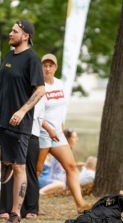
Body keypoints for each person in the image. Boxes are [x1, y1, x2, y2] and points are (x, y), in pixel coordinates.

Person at [0, 19, 45, 223]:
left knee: (20, 165)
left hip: (19, 123)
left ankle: (15, 214)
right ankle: (7, 161)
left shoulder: (32, 59)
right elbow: (1, 87)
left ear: (25, 36)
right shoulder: (8, 56)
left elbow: (40, 90)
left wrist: (22, 111)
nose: (10, 34)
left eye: (14, 31)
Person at [36, 54, 89, 213]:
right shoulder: (39, 86)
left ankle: (80, 204)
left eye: (51, 65)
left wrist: (60, 129)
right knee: (36, 171)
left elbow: (60, 110)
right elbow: (37, 113)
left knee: (71, 166)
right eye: (45, 65)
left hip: (57, 133)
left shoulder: (59, 84)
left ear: (55, 67)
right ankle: (28, 206)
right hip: (43, 132)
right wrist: (50, 130)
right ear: (41, 67)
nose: (47, 68)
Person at [0, 96, 44, 219]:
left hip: (32, 133)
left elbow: (37, 115)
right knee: (9, 167)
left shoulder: (38, 92)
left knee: (30, 170)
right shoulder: (15, 89)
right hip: (11, 130)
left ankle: (31, 208)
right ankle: (6, 208)